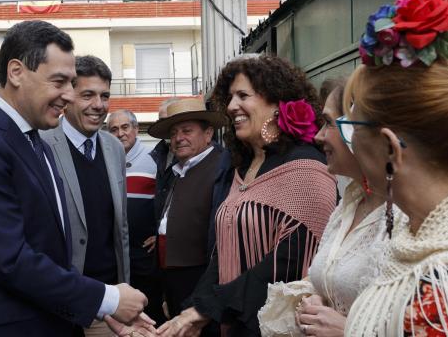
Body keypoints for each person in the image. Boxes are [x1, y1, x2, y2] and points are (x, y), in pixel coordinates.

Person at [0, 21, 148, 336]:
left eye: (71, 83)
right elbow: (12, 259)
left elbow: (51, 253)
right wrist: (107, 298)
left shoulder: (36, 144)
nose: (68, 95)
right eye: (59, 82)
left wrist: (94, 308)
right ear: (16, 72)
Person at [159, 55, 337, 337]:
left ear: (278, 102)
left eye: (243, 95)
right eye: (229, 97)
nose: (231, 107)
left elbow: (285, 264)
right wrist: (195, 307)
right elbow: (222, 252)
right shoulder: (241, 166)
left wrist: (209, 306)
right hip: (236, 323)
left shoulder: (307, 167)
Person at [342, 0, 448, 336]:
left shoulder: (442, 288)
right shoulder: (419, 240)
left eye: (353, 126)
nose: (347, 140)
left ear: (390, 149)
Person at [257, 78, 390, 336]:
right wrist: (314, 299)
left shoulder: (405, 216)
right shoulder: (349, 204)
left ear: (358, 131)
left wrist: (349, 330)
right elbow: (331, 280)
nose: (318, 136)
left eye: (328, 123)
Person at [41, 55, 130, 336]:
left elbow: (120, 229)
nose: (99, 105)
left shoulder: (114, 148)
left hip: (109, 304)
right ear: (67, 97)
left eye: (105, 96)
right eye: (88, 95)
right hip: (57, 304)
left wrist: (123, 289)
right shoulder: (41, 144)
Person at [147, 98, 227, 320]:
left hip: (200, 274)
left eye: (187, 131)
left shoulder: (222, 167)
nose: (178, 138)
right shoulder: (177, 169)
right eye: (173, 133)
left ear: (208, 133)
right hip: (169, 273)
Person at [108, 109, 165, 324]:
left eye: (125, 127)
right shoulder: (107, 160)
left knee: (150, 309)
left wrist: (159, 231)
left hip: (145, 252)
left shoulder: (154, 159)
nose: (120, 133)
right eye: (114, 129)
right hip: (117, 252)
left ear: (135, 129)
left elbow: (169, 197)